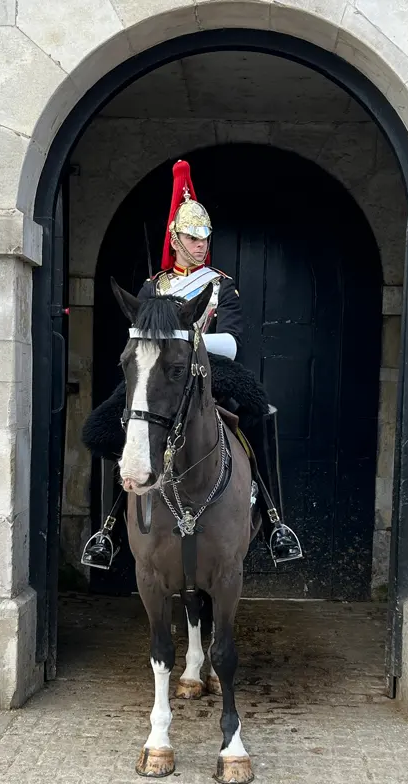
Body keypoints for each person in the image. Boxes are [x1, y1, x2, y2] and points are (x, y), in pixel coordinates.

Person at [81, 159, 302, 570]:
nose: (201, 245)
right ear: (175, 239)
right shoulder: (153, 286)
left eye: (205, 238)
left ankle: (274, 521)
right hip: (159, 372)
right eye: (192, 237)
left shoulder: (221, 284)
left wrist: (187, 341)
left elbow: (233, 343)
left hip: (211, 369)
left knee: (259, 414)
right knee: (110, 423)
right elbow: (139, 339)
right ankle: (107, 529)